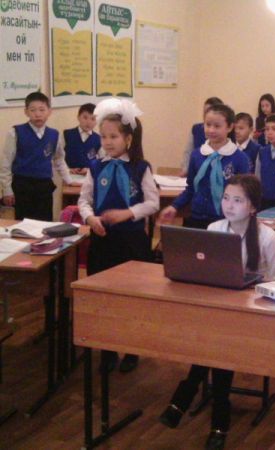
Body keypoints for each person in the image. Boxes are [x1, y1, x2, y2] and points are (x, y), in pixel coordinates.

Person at [159, 175, 275, 450]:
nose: (229, 205)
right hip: (218, 308)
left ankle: (187, 401)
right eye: (226, 198)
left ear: (253, 207)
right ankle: (216, 419)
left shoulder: (267, 237)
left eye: (238, 200)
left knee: (217, 342)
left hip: (251, 314)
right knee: (216, 341)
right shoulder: (215, 227)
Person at [77, 98, 159, 373]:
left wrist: (127, 214)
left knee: (131, 298)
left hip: (131, 243)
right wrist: (90, 218)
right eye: (104, 137)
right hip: (103, 241)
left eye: (114, 137)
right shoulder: (96, 166)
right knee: (104, 298)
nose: (108, 142)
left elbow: (152, 203)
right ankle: (108, 350)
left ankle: (132, 349)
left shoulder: (140, 167)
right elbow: (84, 200)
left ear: (128, 138)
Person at [160, 104, 250, 229]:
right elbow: (191, 188)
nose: (211, 130)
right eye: (208, 125)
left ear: (229, 127)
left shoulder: (240, 158)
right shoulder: (197, 155)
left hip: (226, 221)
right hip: (196, 218)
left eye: (217, 126)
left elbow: (244, 194)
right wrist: (174, 206)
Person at [0, 92, 77, 221]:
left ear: (49, 111)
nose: (37, 114)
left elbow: (59, 160)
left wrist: (69, 180)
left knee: (44, 224)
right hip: (22, 186)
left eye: (42, 110)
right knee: (23, 224)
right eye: (33, 110)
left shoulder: (54, 134)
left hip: (44, 187)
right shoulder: (15, 132)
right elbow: (6, 163)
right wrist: (7, 190)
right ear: (26, 112)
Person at [180, 97, 224, 176]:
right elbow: (188, 152)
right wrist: (186, 169)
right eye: (204, 112)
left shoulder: (224, 132)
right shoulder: (196, 129)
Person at [61, 103, 102, 174]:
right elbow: (58, 157)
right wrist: (68, 170)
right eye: (85, 118)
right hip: (69, 175)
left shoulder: (98, 139)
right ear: (78, 117)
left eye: (93, 119)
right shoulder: (67, 134)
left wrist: (89, 170)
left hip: (89, 176)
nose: (88, 122)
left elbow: (102, 160)